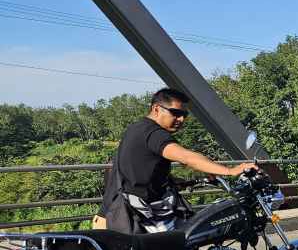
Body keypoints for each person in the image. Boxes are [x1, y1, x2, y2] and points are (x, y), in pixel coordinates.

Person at [97, 88, 257, 233]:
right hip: (128, 220)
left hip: (111, 216)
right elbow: (187, 157)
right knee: (182, 248)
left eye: (184, 115)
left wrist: (179, 181)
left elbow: (139, 170)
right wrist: (230, 170)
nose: (181, 119)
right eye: (175, 113)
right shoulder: (155, 134)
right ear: (156, 109)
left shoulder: (137, 128)